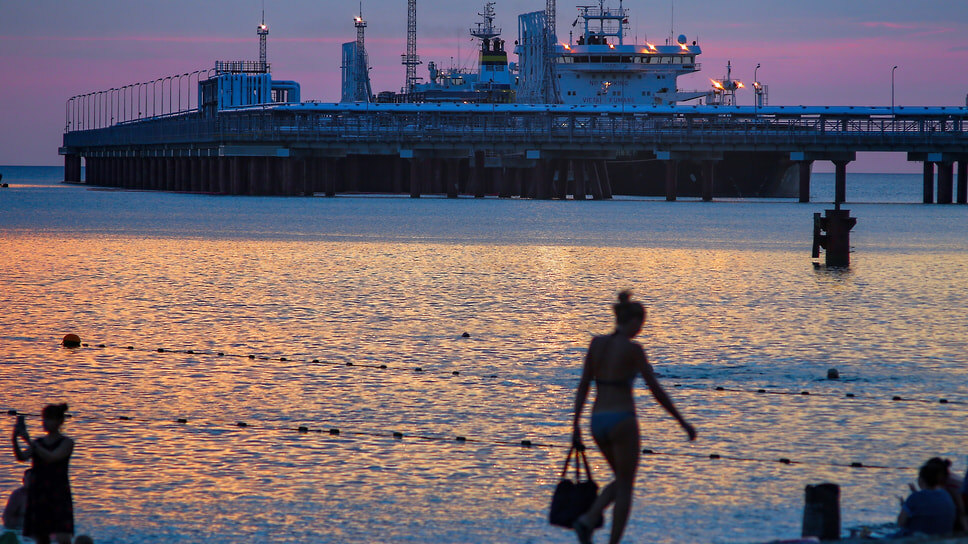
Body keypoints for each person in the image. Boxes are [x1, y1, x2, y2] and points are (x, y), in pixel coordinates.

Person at [571, 291, 696, 544]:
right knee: (626, 486)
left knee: (621, 479)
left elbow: (583, 385)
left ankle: (588, 520)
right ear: (633, 321)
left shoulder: (596, 344)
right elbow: (656, 390)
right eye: (641, 323)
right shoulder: (633, 349)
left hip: (597, 422)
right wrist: (682, 422)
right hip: (622, 421)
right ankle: (609, 539)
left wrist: (575, 425)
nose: (642, 328)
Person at [12, 404, 75, 544]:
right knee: (41, 537)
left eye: (49, 419)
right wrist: (15, 439)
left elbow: (52, 457)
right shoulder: (38, 442)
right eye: (44, 419)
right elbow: (21, 457)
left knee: (63, 536)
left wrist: (28, 441)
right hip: (39, 492)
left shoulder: (67, 442)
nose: (45, 422)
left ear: (60, 421)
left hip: (58, 492)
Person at [897, 460, 956, 537]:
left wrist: (905, 506)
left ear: (921, 480)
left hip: (915, 537)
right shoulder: (946, 495)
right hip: (942, 536)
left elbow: (900, 523)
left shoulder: (914, 498)